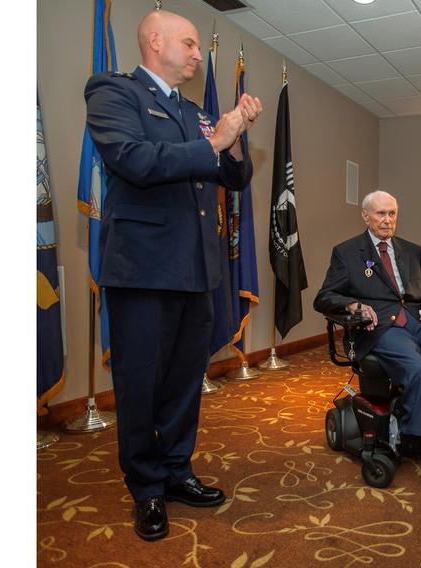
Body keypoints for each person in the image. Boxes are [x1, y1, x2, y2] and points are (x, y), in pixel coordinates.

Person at [84, 9, 262, 541]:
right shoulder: (113, 93)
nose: (194, 54)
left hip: (196, 269)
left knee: (186, 383)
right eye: (187, 43)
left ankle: (178, 470)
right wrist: (213, 141)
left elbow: (232, 176)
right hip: (142, 270)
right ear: (154, 41)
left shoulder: (192, 110)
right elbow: (136, 160)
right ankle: (146, 488)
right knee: (140, 385)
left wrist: (231, 139)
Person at [314, 190, 421, 508]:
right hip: (382, 327)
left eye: (392, 214)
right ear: (365, 216)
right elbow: (324, 297)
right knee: (418, 371)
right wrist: (353, 304)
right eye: (380, 214)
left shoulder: (412, 251)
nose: (387, 220)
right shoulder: (347, 252)